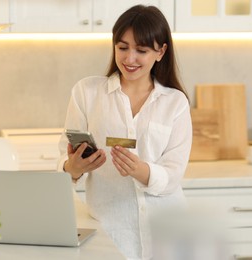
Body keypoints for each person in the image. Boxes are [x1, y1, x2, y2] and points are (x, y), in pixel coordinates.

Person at [57, 5, 192, 260]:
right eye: (122, 48)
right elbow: (62, 165)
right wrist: (73, 169)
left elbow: (174, 173)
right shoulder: (87, 92)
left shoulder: (175, 102)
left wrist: (142, 171)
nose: (129, 59)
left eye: (141, 50)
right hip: (112, 234)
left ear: (161, 52)